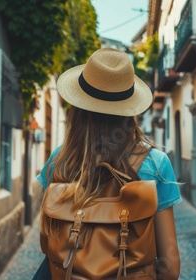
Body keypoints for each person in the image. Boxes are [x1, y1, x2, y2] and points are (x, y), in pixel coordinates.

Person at [34, 48, 181, 279]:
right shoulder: (156, 163)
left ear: (78, 108)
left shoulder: (60, 160)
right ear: (129, 110)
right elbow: (170, 268)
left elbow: (49, 242)